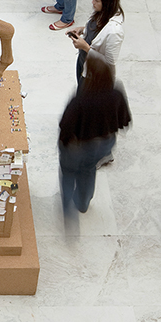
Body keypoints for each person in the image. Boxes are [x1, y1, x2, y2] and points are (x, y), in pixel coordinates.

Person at [57, 57, 131, 225]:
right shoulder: (116, 94)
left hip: (77, 147)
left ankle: (68, 209)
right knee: (88, 170)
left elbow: (65, 127)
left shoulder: (79, 102)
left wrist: (63, 145)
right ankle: (83, 204)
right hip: (103, 145)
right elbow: (125, 121)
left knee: (68, 173)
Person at [68, 0, 125, 88]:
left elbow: (109, 63)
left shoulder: (115, 32)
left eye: (96, 0)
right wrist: (83, 30)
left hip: (94, 75)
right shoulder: (101, 14)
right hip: (83, 62)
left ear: (107, 3)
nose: (92, 2)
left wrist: (86, 48)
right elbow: (97, 32)